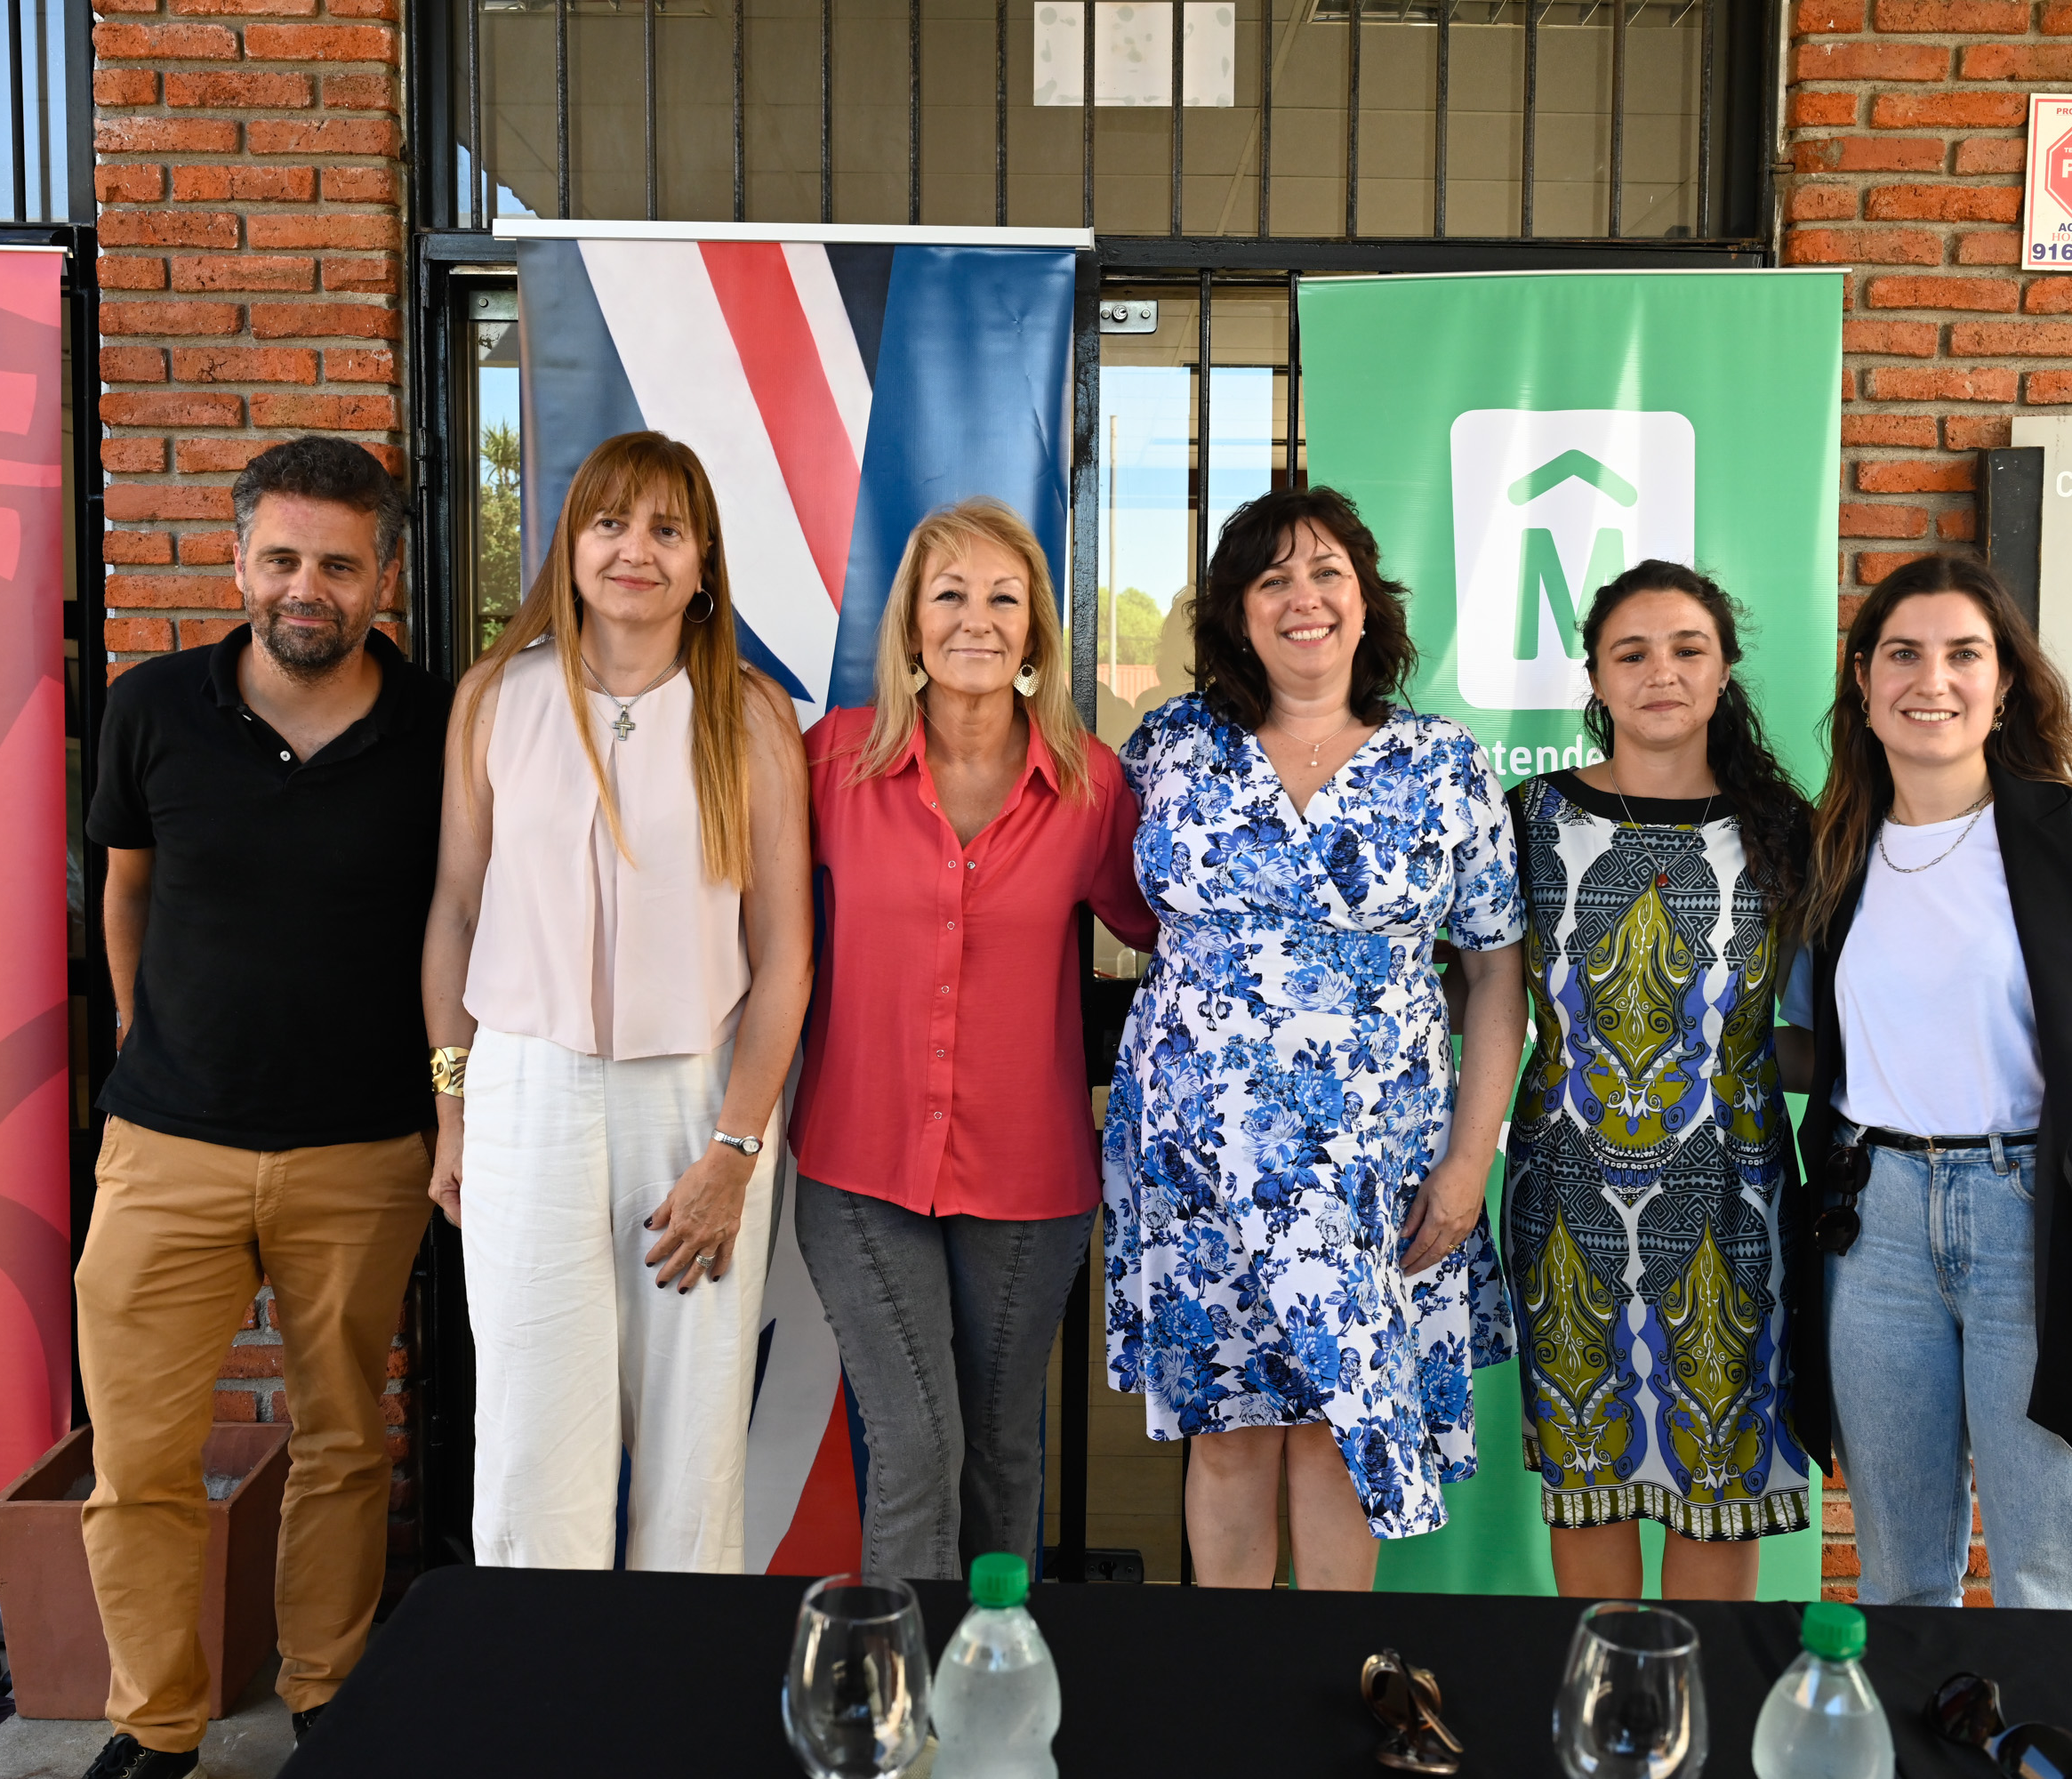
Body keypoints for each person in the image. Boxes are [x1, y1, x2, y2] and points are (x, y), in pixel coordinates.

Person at [76, 438, 449, 1779]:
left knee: (348, 1444)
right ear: (238, 561)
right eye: (283, 557)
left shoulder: (438, 727)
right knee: (141, 1462)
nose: (309, 587)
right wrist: (144, 1041)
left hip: (362, 1150)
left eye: (340, 565)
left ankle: (328, 1697)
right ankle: (155, 1725)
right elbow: (125, 886)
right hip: (166, 1145)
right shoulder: (151, 709)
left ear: (384, 577)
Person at [1103, 485, 1528, 1590]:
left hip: (1379, 1163)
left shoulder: (1444, 763)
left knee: (1349, 1433)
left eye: (1326, 571)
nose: (1304, 597)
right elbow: (1121, 903)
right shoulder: (1170, 748)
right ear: (1237, 613)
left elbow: (1494, 974)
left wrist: (1470, 1159)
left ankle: (1326, 1696)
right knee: (1230, 1430)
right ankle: (1229, 1701)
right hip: (1201, 1154)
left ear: (1366, 600)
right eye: (1272, 578)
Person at [420, 431, 811, 1573]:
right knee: (536, 1440)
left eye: (666, 529)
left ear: (702, 567)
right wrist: (453, 1107)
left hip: (700, 1099)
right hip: (525, 1089)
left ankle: (678, 1715)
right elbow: (453, 910)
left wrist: (737, 1146)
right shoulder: (498, 697)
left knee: (696, 1444)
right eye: (609, 522)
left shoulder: (753, 716)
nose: (634, 549)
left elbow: (784, 951)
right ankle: (543, 1712)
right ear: (571, 543)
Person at [1777, 551, 2072, 1611]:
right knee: (1901, 1578)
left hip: (2033, 1232)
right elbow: (1833, 1055)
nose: (1932, 680)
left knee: (2050, 1573)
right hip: (1876, 1235)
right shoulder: (1839, 854)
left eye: (1965, 654)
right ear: (1864, 683)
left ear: (2005, 685)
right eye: (1902, 653)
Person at [793, 498, 1157, 1580]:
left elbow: (1173, 928)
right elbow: (743, 916)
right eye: (950, 594)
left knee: (1002, 1451)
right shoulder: (832, 762)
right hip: (859, 1168)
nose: (978, 619)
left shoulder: (1092, 786)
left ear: (1037, 630)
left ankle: (999, 1702)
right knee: (916, 1446)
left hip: (1031, 1180)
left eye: (1006, 597)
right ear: (910, 623)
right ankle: (903, 1711)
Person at [1493, 561, 1813, 1601]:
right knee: (1588, 1468)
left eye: (1688, 649)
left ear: (1724, 672)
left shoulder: (1789, 829)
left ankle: (1694, 1728)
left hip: (1733, 1196)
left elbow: (1831, 1021)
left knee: (1716, 1464)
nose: (1661, 672)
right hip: (1566, 1191)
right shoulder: (1527, 817)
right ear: (1593, 675)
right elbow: (1477, 998)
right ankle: (1610, 1720)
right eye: (1632, 652)